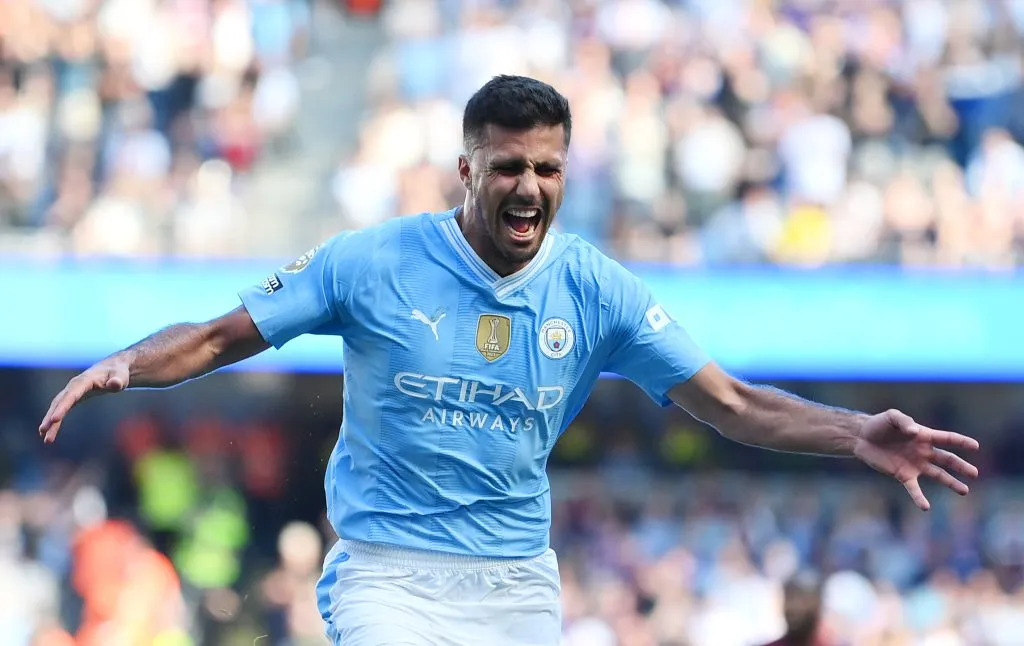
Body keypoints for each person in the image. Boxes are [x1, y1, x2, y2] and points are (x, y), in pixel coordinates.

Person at [38, 75, 980, 646]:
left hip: (515, 583)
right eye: (508, 168)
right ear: (467, 171)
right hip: (388, 575)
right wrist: (127, 360)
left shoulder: (596, 290)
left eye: (548, 169)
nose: (529, 187)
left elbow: (730, 403)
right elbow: (218, 336)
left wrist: (858, 431)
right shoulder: (368, 261)